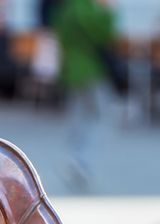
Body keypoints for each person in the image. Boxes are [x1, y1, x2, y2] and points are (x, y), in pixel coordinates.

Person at [52, 0, 117, 190]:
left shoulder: (66, 8)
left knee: (79, 117)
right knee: (101, 116)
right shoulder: (88, 9)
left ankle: (74, 158)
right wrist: (109, 13)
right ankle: (82, 162)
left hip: (72, 69)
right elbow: (105, 35)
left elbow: (60, 36)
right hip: (91, 70)